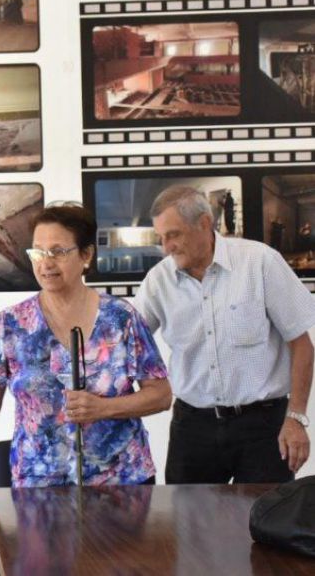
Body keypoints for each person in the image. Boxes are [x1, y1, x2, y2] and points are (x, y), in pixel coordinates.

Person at [0, 203, 171, 524]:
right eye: (38, 252)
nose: (45, 263)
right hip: (38, 487)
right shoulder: (11, 324)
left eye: (58, 251)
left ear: (86, 256)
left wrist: (104, 408)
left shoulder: (121, 317)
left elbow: (161, 394)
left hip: (121, 483)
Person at [133, 185, 315, 484]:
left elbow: (302, 344)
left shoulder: (259, 262)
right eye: (161, 238)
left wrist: (296, 418)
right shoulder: (158, 281)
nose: (166, 247)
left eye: (174, 235)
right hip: (193, 427)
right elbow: (130, 344)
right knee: (189, 525)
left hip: (263, 426)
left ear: (204, 223)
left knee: (264, 523)